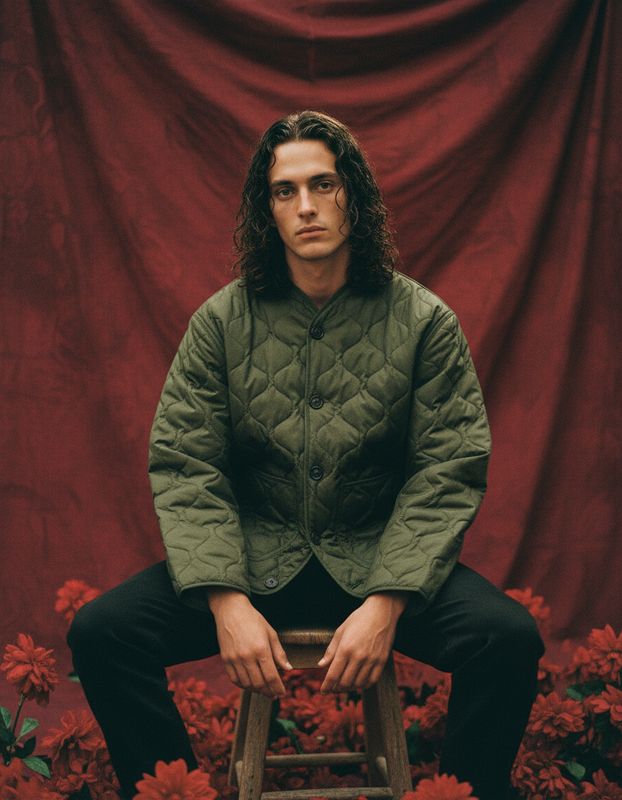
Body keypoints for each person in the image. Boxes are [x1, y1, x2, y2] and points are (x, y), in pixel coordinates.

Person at [68, 110, 545, 800]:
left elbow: (447, 467)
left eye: (323, 184)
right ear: (267, 211)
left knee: (507, 638)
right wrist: (225, 598)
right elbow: (185, 463)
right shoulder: (221, 323)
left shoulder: (424, 323)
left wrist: (387, 601)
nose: (307, 206)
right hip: (254, 559)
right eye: (285, 191)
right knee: (103, 632)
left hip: (379, 557)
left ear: (353, 192)